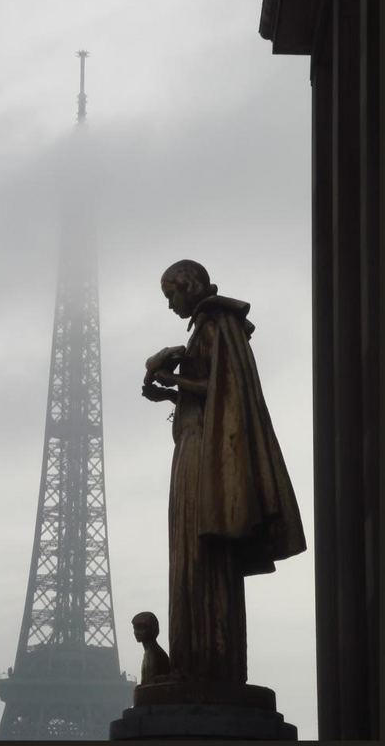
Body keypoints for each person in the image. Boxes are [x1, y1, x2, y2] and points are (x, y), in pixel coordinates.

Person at [142, 259, 306, 687]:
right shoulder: (208, 327)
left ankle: (202, 666)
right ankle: (195, 661)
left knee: (200, 554)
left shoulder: (216, 324)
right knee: (193, 554)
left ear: (189, 285)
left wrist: (164, 374)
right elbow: (214, 395)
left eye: (171, 295)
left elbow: (219, 388)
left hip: (203, 452)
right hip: (197, 444)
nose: (171, 305)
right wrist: (169, 394)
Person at [131, 612, 170, 685]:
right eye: (135, 628)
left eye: (140, 628)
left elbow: (151, 682)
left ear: (152, 629)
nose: (136, 632)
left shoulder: (155, 654)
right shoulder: (150, 653)